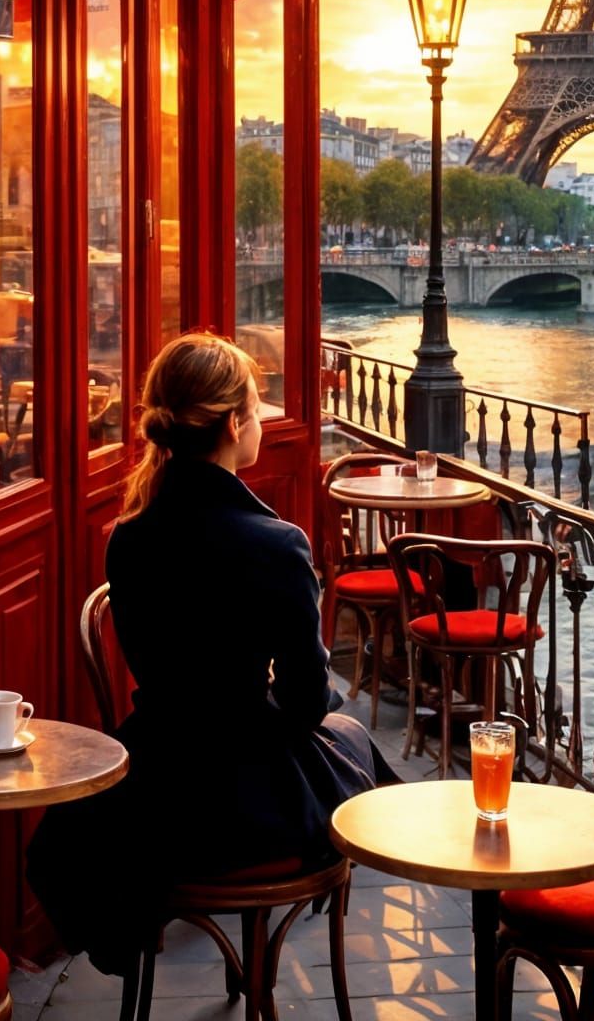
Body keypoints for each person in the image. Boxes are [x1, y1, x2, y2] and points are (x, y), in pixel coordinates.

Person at [28, 331, 393, 969]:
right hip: (241, 803)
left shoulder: (129, 537)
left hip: (153, 792)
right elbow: (307, 703)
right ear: (232, 422)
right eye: (259, 405)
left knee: (343, 737)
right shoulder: (277, 544)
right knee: (349, 736)